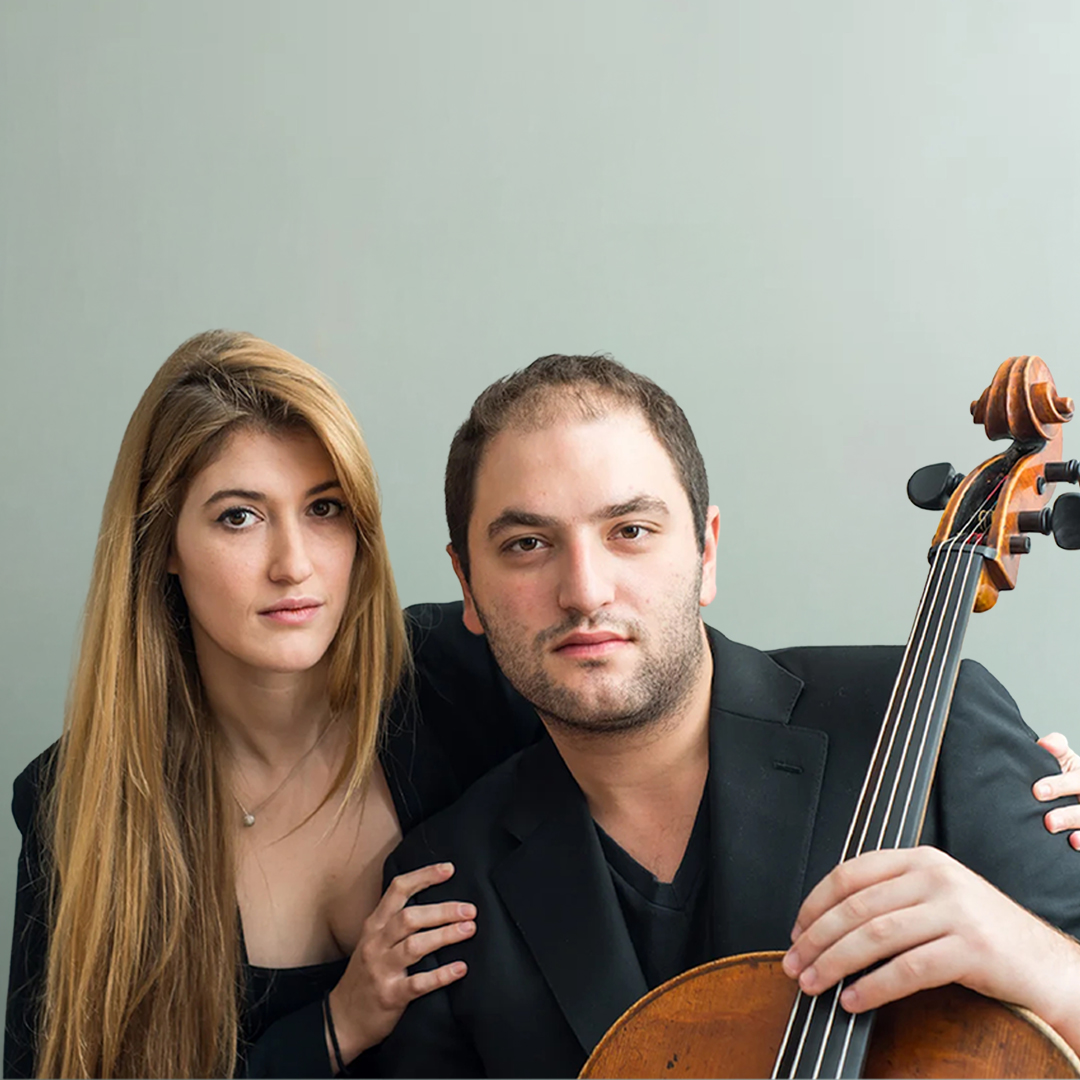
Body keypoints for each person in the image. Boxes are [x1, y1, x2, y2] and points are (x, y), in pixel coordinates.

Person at [376, 353, 1080, 1078]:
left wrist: (1048, 969)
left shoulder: (933, 723)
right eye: (527, 545)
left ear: (706, 551)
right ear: (467, 581)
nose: (584, 591)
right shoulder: (447, 893)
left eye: (630, 531)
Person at [3, 331, 543, 1078]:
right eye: (239, 516)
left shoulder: (467, 674)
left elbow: (669, 689)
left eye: (324, 509)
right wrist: (332, 1028)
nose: (293, 564)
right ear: (162, 544)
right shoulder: (79, 804)